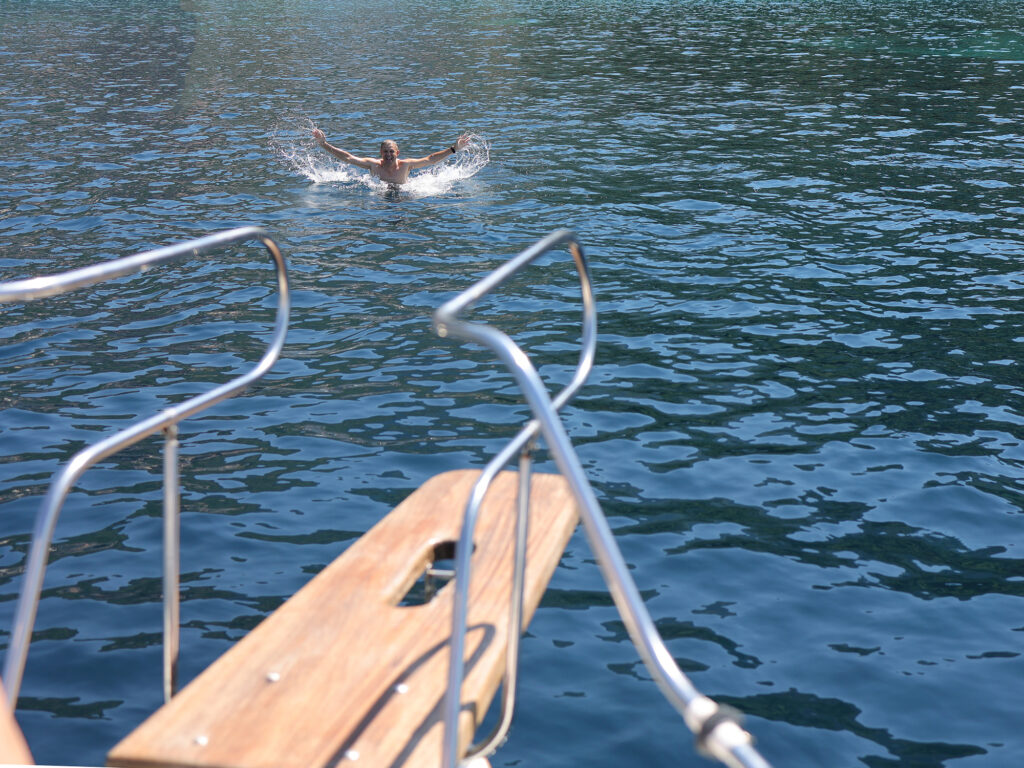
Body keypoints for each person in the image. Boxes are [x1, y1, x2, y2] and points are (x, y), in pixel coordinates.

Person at [312, 128, 471, 185]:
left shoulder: (405, 165)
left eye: (391, 151)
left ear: (397, 153)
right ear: (381, 153)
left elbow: (430, 159)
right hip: (380, 196)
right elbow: (347, 157)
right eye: (385, 152)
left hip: (404, 194)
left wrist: (454, 148)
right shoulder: (373, 165)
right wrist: (324, 144)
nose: (388, 155)